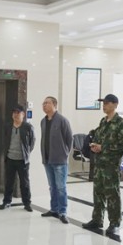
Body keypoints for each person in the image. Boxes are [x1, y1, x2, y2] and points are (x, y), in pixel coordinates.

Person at [82, 94, 123, 235]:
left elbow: (121, 146)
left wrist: (103, 148)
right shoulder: (103, 121)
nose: (104, 105)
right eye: (103, 103)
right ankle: (97, 219)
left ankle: (114, 222)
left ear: (115, 104)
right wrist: (94, 145)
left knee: (112, 195)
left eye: (107, 103)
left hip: (111, 166)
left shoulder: (120, 123)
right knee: (98, 193)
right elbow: (98, 138)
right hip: (99, 163)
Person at [40, 96, 73, 224]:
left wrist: (64, 154)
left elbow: (69, 139)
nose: (44, 105)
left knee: (61, 187)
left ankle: (63, 212)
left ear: (55, 105)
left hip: (59, 160)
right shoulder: (43, 121)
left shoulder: (62, 120)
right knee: (52, 187)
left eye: (47, 103)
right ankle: (54, 209)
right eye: (43, 103)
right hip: (47, 159)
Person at [0, 104, 36, 212]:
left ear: (23, 114)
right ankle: (6, 201)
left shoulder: (28, 127)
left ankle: (27, 203)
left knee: (24, 183)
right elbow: (5, 140)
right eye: (14, 112)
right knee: (9, 182)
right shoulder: (8, 126)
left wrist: (26, 153)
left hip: (23, 160)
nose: (15, 114)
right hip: (10, 159)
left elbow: (32, 142)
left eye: (18, 112)